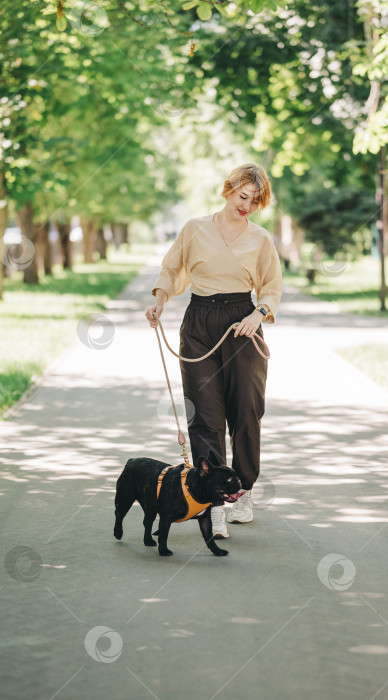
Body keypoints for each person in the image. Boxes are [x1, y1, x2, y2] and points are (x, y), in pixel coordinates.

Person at [145, 163, 282, 539]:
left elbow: (271, 287)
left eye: (255, 201)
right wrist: (159, 302)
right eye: (242, 196)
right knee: (205, 416)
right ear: (229, 189)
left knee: (245, 414)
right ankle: (215, 502)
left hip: (242, 323)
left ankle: (245, 491)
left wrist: (259, 313)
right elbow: (171, 271)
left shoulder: (261, 239)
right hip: (200, 322)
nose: (246, 205)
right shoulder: (194, 229)